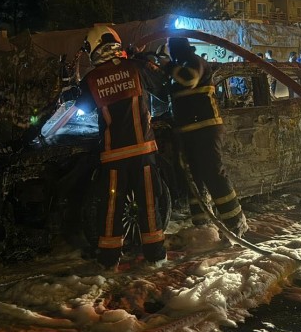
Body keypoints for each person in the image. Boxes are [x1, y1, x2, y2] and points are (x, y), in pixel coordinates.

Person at [75, 25, 168, 269]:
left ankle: (109, 260)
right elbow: (160, 83)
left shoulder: (91, 80)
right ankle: (155, 256)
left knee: (112, 207)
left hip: (113, 156)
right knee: (149, 204)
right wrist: (140, 57)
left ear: (94, 48)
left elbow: (82, 108)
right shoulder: (135, 67)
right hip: (144, 151)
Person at [166, 37, 248, 237]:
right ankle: (202, 227)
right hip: (189, 133)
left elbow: (189, 79)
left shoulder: (195, 62)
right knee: (195, 180)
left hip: (205, 130)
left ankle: (236, 224)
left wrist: (167, 67)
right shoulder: (179, 68)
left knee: (213, 175)